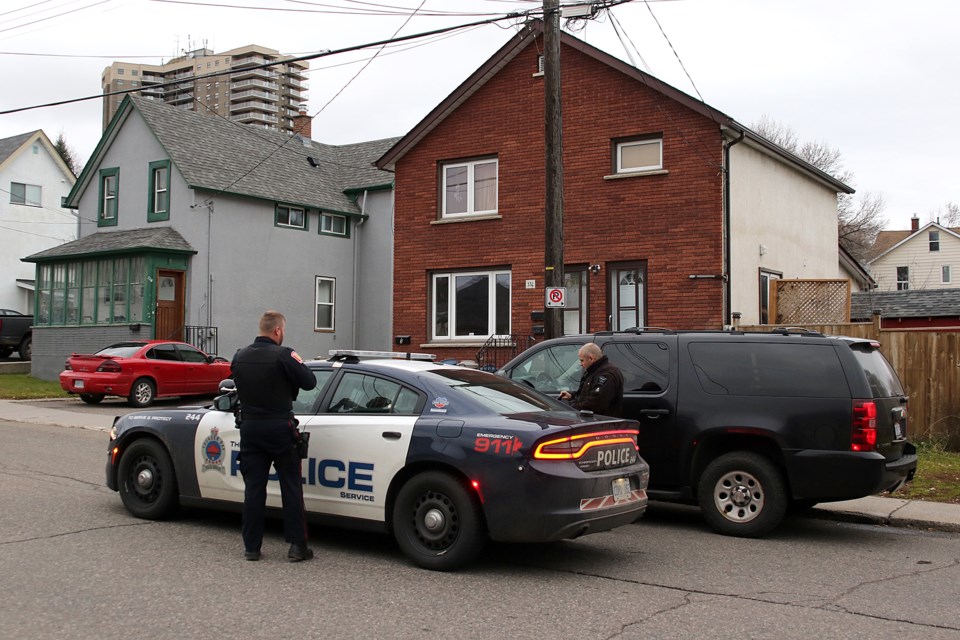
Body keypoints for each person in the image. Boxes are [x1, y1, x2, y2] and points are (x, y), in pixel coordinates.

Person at [231, 310, 317, 562]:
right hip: (279, 428)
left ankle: (252, 548)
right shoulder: (284, 355)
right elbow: (309, 382)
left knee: (254, 489)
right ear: (277, 330)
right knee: (290, 486)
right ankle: (297, 546)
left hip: (250, 429)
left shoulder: (239, 356)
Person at [558, 342, 624, 417]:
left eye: (582, 360)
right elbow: (586, 394)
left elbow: (595, 404)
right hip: (594, 421)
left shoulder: (606, 375)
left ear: (591, 358)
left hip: (602, 423)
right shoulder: (594, 371)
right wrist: (571, 396)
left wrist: (571, 408)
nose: (580, 364)